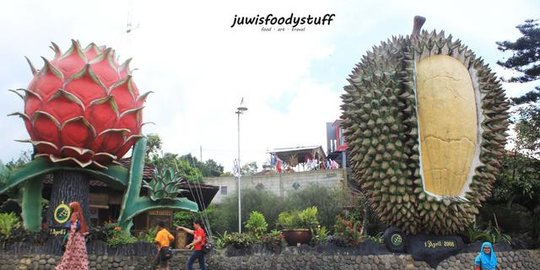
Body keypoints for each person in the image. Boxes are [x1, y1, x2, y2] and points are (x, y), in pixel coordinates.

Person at [56, 201, 89, 270]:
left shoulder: (74, 214)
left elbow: (73, 227)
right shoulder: (80, 214)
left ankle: (68, 267)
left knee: (71, 252)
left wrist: (70, 238)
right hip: (81, 237)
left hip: (75, 237)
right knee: (80, 254)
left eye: (71, 207)